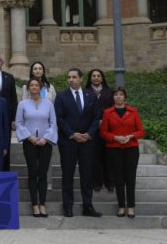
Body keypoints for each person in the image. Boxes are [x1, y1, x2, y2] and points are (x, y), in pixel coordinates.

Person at [54, 68, 102, 218]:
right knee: (67, 175)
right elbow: (59, 118)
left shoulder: (91, 95)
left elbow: (96, 117)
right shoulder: (61, 96)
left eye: (74, 77)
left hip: (87, 142)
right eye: (69, 77)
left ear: (81, 79)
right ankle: (68, 207)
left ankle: (88, 206)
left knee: (86, 175)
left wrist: (89, 134)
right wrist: (72, 134)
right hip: (68, 142)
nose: (71, 80)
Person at [15, 78, 58, 218]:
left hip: (45, 142)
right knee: (33, 172)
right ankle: (34, 204)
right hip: (30, 142)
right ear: (28, 88)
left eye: (36, 85)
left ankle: (42, 204)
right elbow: (19, 123)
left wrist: (46, 138)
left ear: (41, 88)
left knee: (43, 173)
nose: (34, 87)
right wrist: (30, 137)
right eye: (31, 85)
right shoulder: (22, 104)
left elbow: (53, 123)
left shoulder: (49, 104)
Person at [100, 87, 145, 218]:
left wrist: (131, 136)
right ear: (113, 98)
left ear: (125, 98)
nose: (118, 97)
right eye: (116, 95)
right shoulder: (107, 112)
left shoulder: (133, 111)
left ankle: (130, 206)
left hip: (131, 148)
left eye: (121, 94)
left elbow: (141, 131)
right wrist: (115, 137)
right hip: (114, 149)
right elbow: (103, 132)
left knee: (130, 178)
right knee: (118, 178)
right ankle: (121, 206)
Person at [87, 68, 115, 193]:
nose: (96, 78)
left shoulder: (110, 92)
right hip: (92, 130)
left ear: (102, 78)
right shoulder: (86, 92)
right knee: (94, 156)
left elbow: (113, 109)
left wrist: (105, 120)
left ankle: (110, 182)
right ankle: (96, 182)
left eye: (98, 75)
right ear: (90, 78)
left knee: (108, 156)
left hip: (108, 129)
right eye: (94, 76)